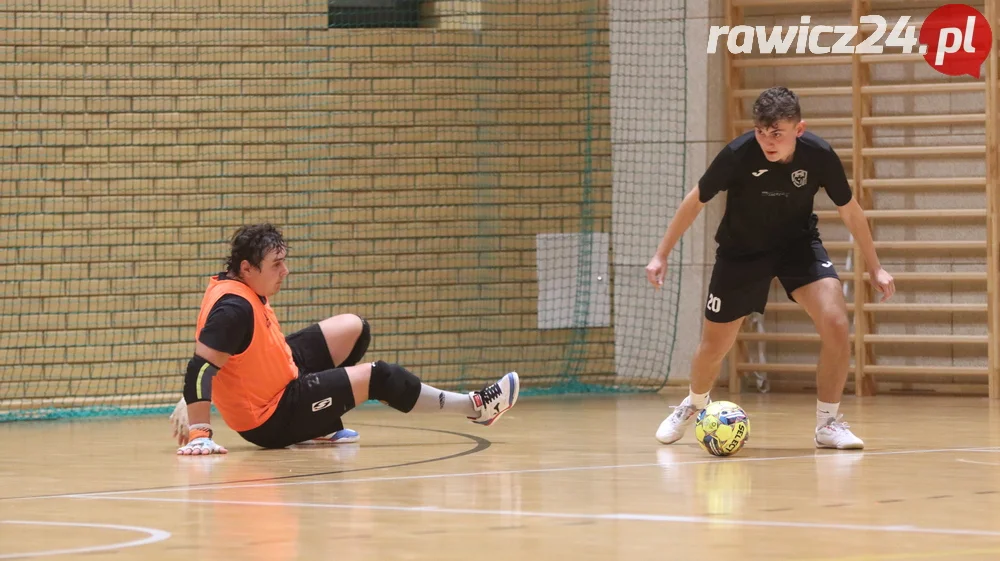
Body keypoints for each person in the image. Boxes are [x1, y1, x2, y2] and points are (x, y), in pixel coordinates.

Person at [645, 86, 895, 450]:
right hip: (741, 253)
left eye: (776, 133)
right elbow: (696, 200)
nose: (767, 141)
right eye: (761, 132)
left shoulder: (819, 155)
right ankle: (695, 403)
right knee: (714, 347)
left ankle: (828, 423)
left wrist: (876, 267)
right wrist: (660, 254)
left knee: (837, 324)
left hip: (797, 248)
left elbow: (850, 210)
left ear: (799, 129)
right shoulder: (737, 154)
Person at [169, 223, 519, 455]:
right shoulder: (233, 308)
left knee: (354, 328)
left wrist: (197, 395)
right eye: (276, 264)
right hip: (271, 416)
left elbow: (221, 360)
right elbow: (201, 367)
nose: (285, 271)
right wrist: (201, 429)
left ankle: (318, 422)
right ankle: (476, 407)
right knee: (377, 376)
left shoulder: (240, 284)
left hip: (280, 373)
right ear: (247, 268)